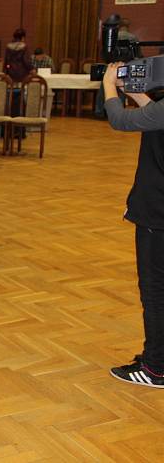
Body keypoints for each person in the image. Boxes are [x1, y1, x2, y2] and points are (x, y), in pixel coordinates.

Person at [103, 62, 164, 388]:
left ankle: (156, 368)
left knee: (155, 293)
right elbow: (157, 119)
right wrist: (138, 95)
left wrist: (109, 87)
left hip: (158, 213)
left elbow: (119, 120)